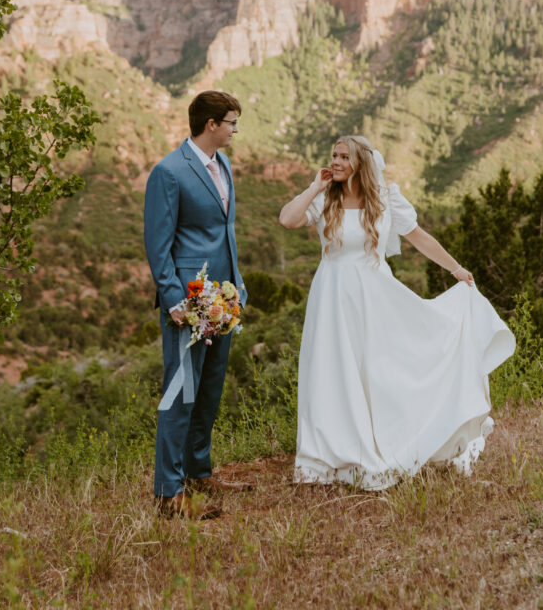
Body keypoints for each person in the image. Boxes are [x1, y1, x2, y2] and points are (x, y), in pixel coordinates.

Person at [279, 135, 515, 489]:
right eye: (334, 155)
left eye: (345, 156)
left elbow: (419, 238)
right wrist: (316, 185)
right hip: (331, 297)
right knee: (331, 371)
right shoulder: (327, 200)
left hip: (375, 297)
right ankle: (328, 456)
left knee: (379, 372)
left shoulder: (386, 199)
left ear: (361, 161)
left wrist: (455, 269)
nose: (337, 161)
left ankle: (391, 441)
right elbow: (288, 219)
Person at [144, 90, 249, 518]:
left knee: (209, 390)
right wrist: (173, 301)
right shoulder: (168, 172)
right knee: (180, 394)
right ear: (211, 125)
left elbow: (226, 232)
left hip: (222, 302)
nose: (234, 129)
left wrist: (236, 286)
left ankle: (198, 470)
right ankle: (168, 492)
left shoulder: (222, 164)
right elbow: (158, 245)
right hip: (188, 304)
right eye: (231, 122)